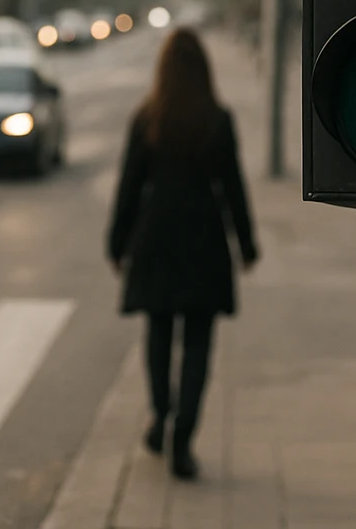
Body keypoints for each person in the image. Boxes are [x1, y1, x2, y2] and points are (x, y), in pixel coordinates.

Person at [107, 28, 258, 481]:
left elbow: (129, 187)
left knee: (157, 333)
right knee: (197, 342)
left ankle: (160, 416)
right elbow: (233, 188)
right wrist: (246, 245)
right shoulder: (218, 118)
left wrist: (118, 243)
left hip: (156, 235)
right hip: (204, 238)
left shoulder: (147, 118)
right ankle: (183, 436)